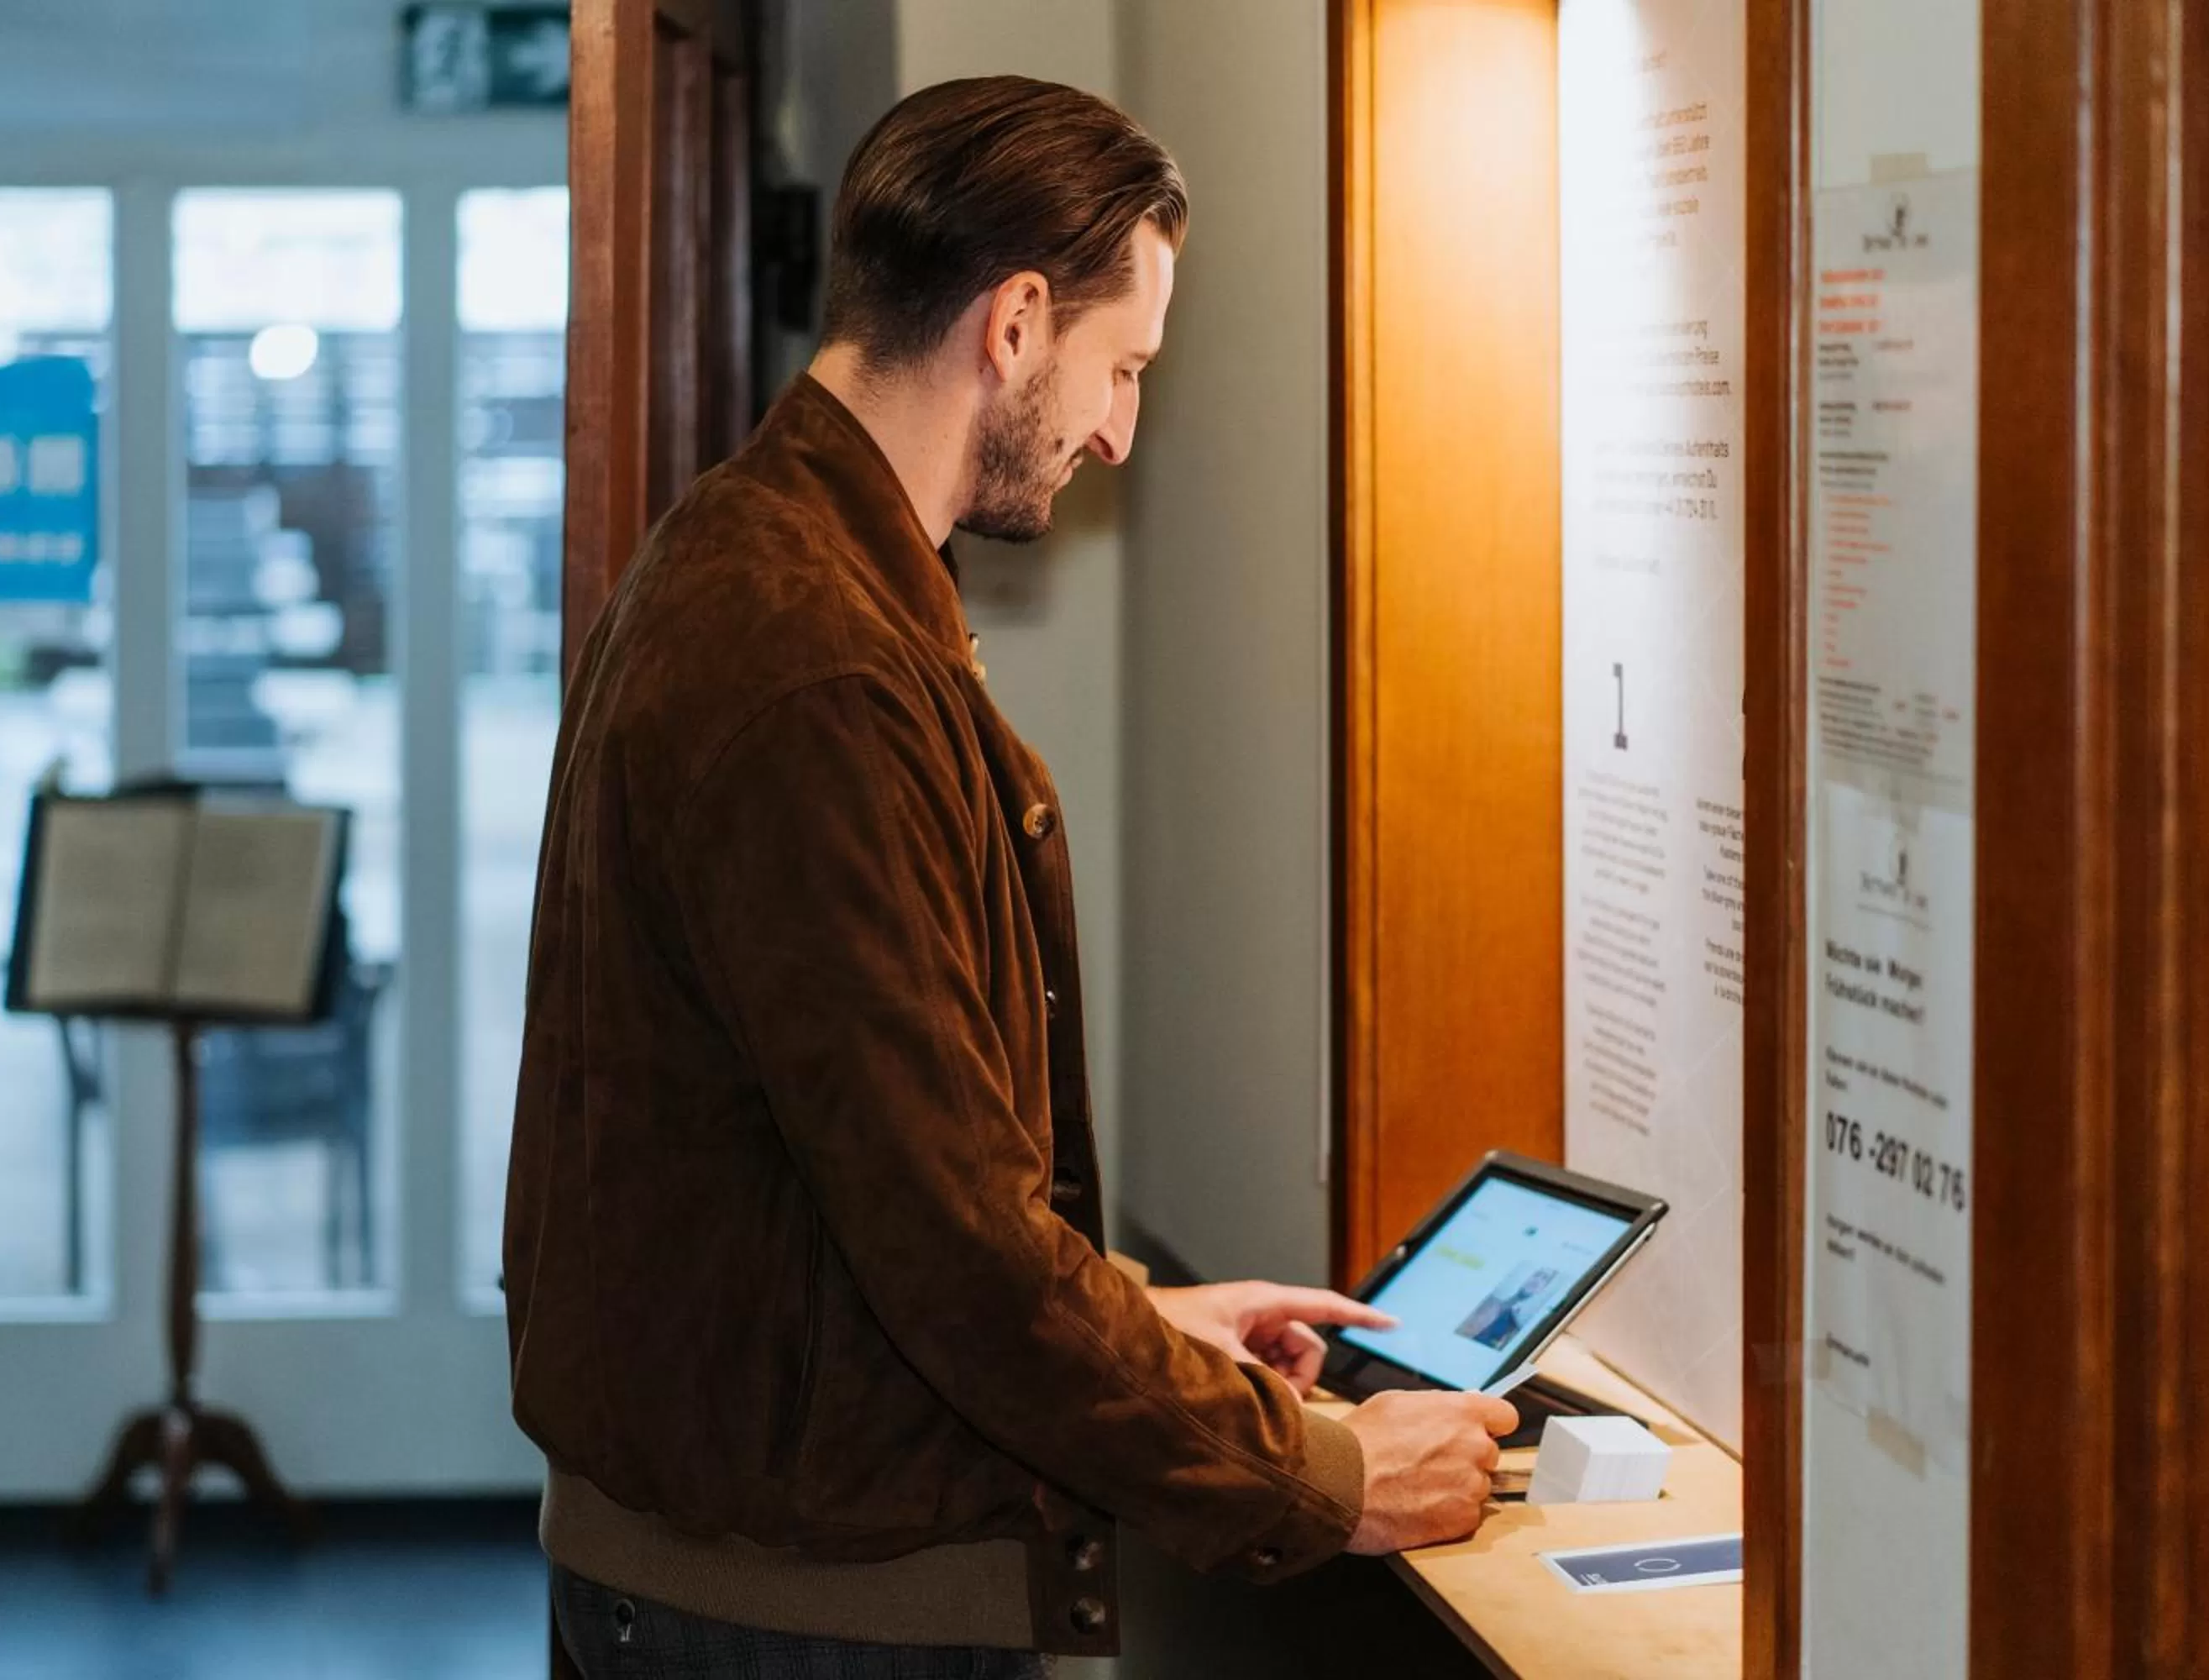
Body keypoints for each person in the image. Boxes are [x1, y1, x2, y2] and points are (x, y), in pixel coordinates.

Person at [503, 75, 1517, 1679]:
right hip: (800, 1617)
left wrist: (1140, 1318)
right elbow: (951, 1239)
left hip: (750, 1576)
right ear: (1018, 321)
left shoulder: (765, 563)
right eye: (1122, 369)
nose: (1120, 428)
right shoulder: (817, 662)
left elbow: (843, 1168)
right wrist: (1321, 1473)